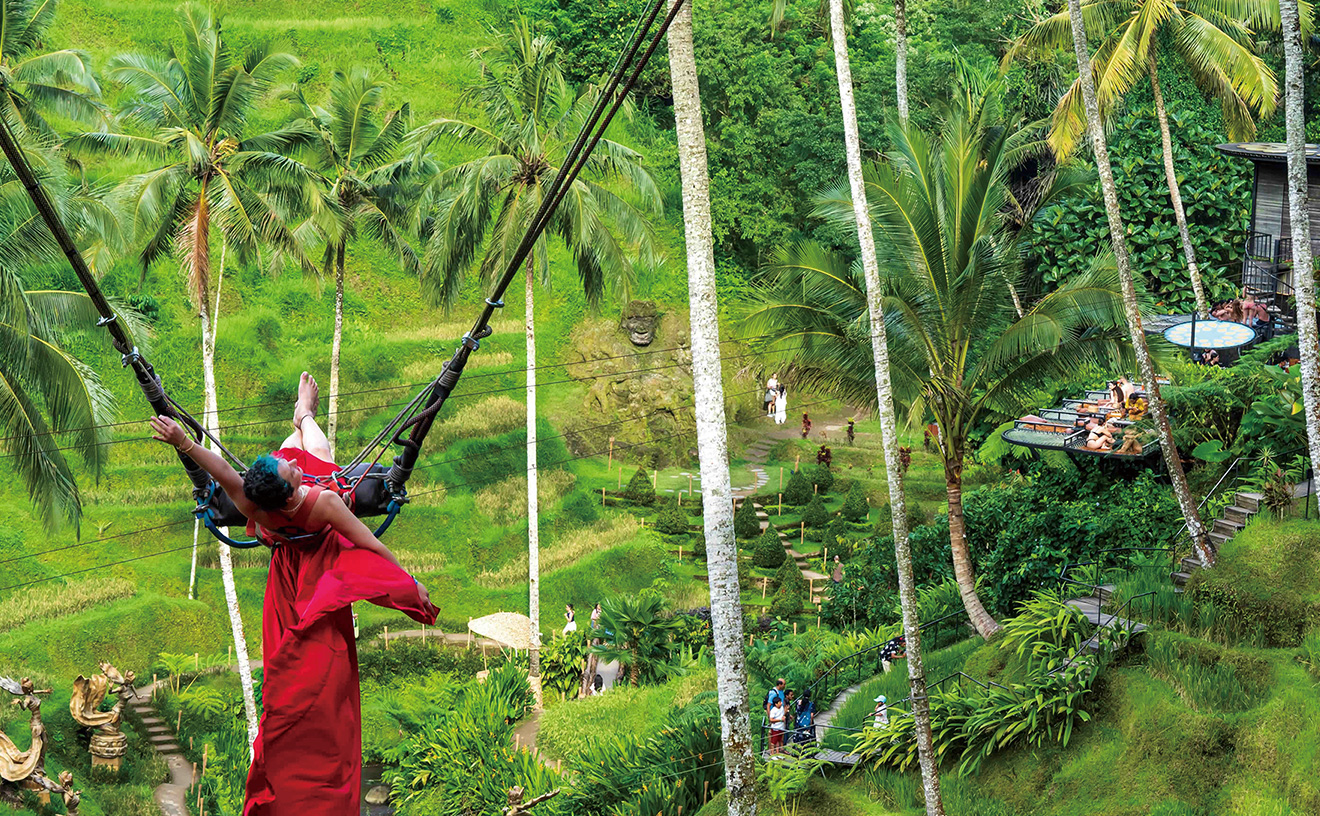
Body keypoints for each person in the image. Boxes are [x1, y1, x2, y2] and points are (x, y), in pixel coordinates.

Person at [150, 372, 436, 816]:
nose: (296, 466)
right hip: (312, 543)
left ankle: (300, 417)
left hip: (285, 548)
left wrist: (181, 441)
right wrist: (406, 578)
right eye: (292, 470)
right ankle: (305, 414)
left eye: (289, 465)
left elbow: (220, 469)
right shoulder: (322, 500)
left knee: (299, 445)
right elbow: (367, 542)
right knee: (319, 452)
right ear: (285, 495)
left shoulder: (251, 502)